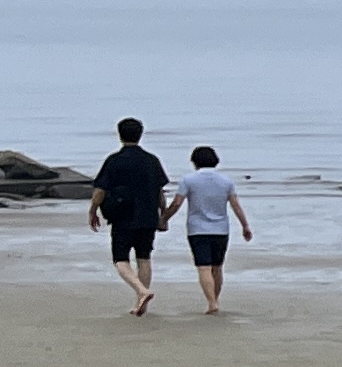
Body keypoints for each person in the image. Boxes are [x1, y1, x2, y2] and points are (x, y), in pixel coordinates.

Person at [87, 117, 169, 317]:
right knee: (144, 257)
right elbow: (159, 192)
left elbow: (101, 190)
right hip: (148, 215)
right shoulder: (152, 160)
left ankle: (141, 291)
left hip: (122, 215)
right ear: (140, 134)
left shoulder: (114, 161)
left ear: (119, 134)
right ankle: (141, 302)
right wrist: (163, 215)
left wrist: (93, 210)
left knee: (120, 259)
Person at [174, 144, 252, 316]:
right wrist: (245, 225)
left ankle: (211, 302)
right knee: (217, 268)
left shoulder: (189, 180)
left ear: (194, 162)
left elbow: (177, 203)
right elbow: (235, 205)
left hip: (197, 229)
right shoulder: (225, 181)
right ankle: (215, 300)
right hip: (221, 229)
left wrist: (164, 218)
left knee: (203, 268)